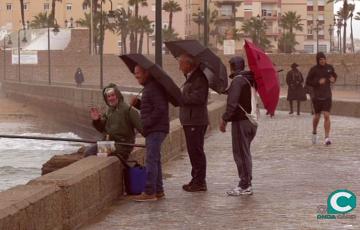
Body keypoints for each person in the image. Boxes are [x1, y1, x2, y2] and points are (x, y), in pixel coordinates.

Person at [219, 56, 257, 196]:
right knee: (245, 152)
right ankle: (246, 183)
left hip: (241, 122)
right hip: (251, 122)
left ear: (233, 67)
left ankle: (245, 185)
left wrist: (224, 119)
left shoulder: (237, 81)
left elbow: (233, 103)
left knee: (241, 154)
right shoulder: (249, 80)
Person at [131, 65, 169, 202]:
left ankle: (149, 192)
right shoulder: (150, 87)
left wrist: (146, 123)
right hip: (157, 128)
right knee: (156, 160)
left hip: (156, 129)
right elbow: (151, 108)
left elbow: (161, 109)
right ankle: (158, 191)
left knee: (151, 160)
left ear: (146, 72)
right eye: (134, 73)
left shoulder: (152, 88)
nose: (136, 76)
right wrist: (138, 104)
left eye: (138, 73)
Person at [86, 83, 143, 160]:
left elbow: (142, 128)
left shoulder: (128, 110)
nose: (111, 98)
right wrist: (97, 120)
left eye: (113, 95)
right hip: (110, 144)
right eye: (108, 96)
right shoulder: (109, 110)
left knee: (92, 153)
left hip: (122, 146)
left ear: (118, 95)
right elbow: (102, 128)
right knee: (89, 152)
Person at [178, 53, 209, 192]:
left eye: (181, 64)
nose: (179, 67)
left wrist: (181, 97)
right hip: (190, 120)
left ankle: (200, 182)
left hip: (195, 121)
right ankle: (195, 178)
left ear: (188, 64)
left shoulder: (199, 78)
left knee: (196, 151)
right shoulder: (191, 77)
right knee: (192, 151)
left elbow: (199, 98)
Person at [306, 52, 337, 145]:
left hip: (327, 95)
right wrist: (318, 82)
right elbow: (308, 81)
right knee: (317, 116)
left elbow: (334, 76)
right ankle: (314, 132)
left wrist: (333, 79)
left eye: (323, 59)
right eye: (320, 59)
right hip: (317, 96)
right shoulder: (313, 70)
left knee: (327, 115)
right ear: (317, 60)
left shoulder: (329, 68)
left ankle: (327, 137)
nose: (322, 61)